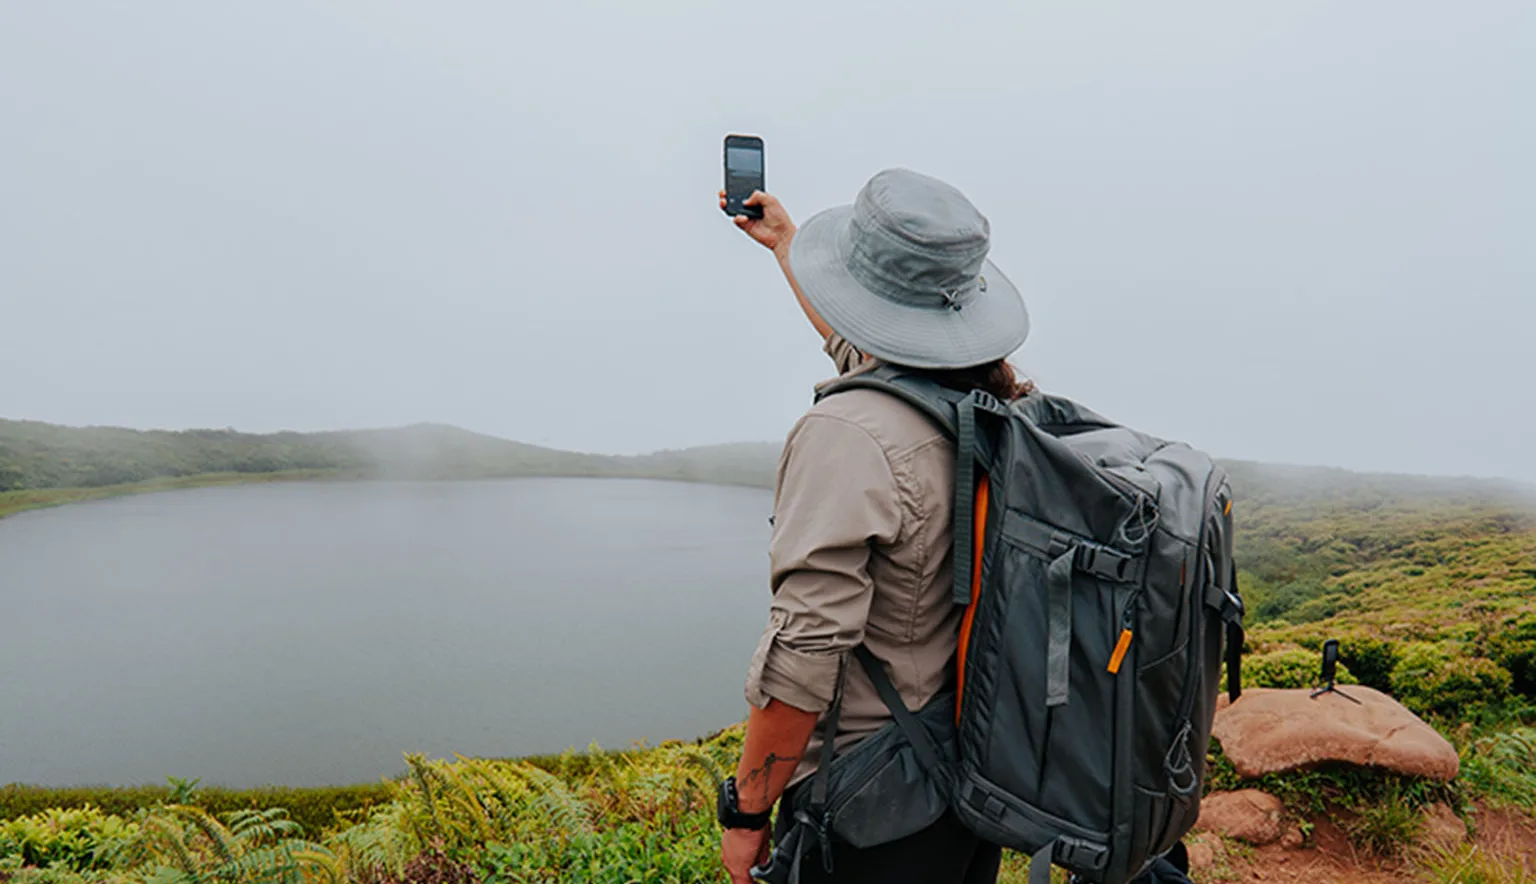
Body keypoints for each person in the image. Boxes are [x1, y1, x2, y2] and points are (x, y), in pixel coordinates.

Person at [715, 168, 1033, 884]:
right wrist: (785, 246)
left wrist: (746, 814)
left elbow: (805, 653)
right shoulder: (990, 404)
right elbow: (861, 350)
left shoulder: (848, 435)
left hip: (871, 807)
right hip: (970, 778)